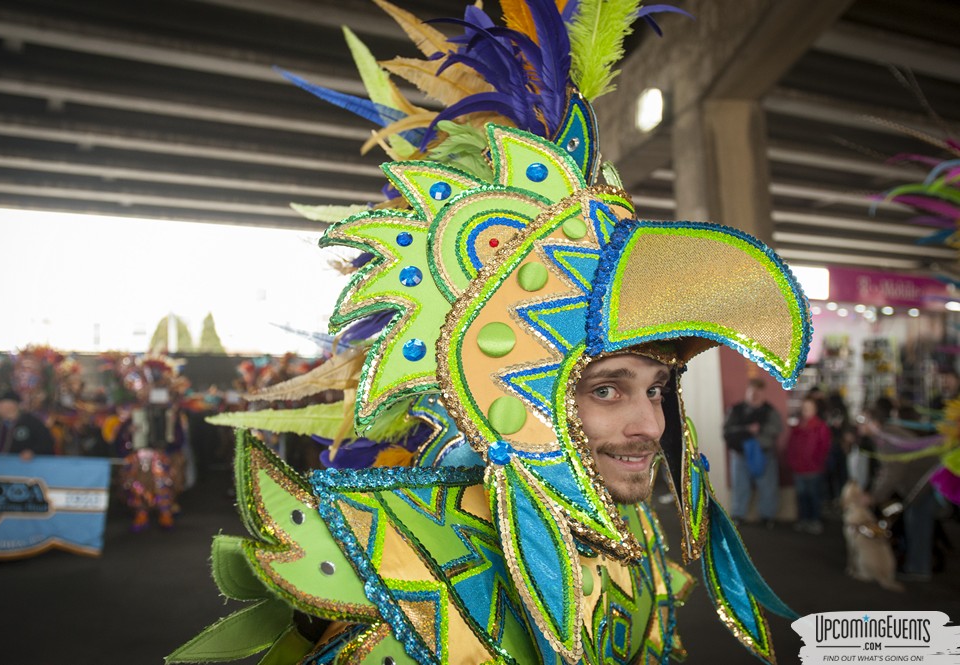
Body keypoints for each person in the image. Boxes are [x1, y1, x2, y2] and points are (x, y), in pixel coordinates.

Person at [170, 3, 812, 664]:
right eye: (609, 390)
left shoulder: (638, 539)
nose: (651, 423)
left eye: (658, 388)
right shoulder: (404, 572)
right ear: (517, 397)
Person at [859, 401, 941, 582]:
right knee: (916, 525)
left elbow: (892, 472)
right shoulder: (885, 436)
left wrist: (873, 496)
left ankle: (919, 569)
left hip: (923, 483)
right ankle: (917, 566)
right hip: (922, 481)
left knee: (918, 526)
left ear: (875, 423)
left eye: (863, 420)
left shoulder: (887, 439)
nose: (859, 424)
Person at [723, 376, 784, 526]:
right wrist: (747, 430)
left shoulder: (770, 411)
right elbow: (727, 430)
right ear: (747, 392)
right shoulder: (736, 410)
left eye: (758, 392)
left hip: (764, 454)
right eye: (752, 391)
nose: (754, 395)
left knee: (767, 486)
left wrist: (761, 429)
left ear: (763, 393)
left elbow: (777, 429)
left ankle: (767, 516)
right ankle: (738, 515)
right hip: (740, 454)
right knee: (740, 486)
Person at [786, 397, 832, 534]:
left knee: (813, 495)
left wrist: (817, 462)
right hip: (799, 468)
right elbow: (791, 446)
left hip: (813, 469)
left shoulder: (820, 427)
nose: (806, 411)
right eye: (804, 407)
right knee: (802, 496)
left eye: (809, 408)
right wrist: (792, 462)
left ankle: (815, 520)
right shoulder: (798, 427)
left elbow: (824, 447)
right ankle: (804, 520)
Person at [0, 388, 54, 460]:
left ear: (14, 405)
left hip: (24, 469)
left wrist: (33, 452)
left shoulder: (31, 422)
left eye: (1, 403)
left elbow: (47, 443)